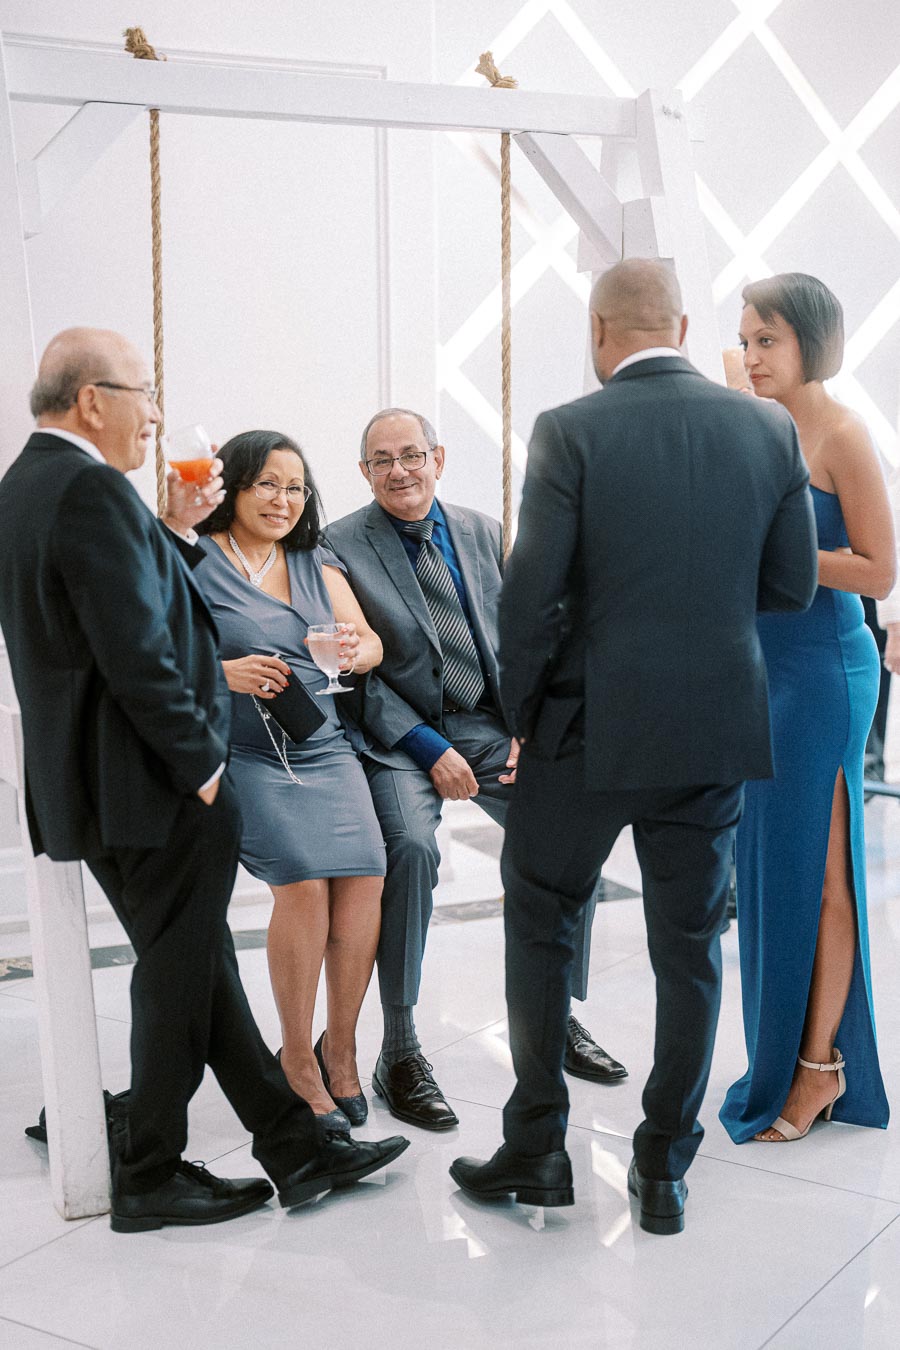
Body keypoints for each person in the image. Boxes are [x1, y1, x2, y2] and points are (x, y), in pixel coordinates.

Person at [0, 328, 408, 1233]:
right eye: (144, 394)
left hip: (96, 782)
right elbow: (139, 654)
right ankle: (146, 1170)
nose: (154, 413)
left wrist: (178, 528)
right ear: (92, 400)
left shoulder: (28, 486)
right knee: (180, 978)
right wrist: (205, 770)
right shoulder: (89, 488)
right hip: (151, 785)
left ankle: (296, 1150)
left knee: (201, 968)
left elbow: (127, 602)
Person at [448, 258, 818, 1235]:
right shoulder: (768, 428)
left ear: (601, 333)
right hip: (713, 730)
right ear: (687, 326)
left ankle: (537, 1150)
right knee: (688, 950)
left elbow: (529, 596)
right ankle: (663, 1167)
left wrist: (521, 718)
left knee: (540, 922)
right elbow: (788, 587)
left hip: (584, 729)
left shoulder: (571, 428)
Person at [326, 409, 626, 1132]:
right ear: (364, 473)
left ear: (439, 456)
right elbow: (352, 674)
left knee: (566, 827)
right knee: (411, 847)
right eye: (382, 460)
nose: (400, 470)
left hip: (492, 727)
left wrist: (528, 727)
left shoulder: (484, 532)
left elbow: (528, 635)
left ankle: (558, 1015)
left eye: (412, 454)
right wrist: (430, 749)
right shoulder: (337, 545)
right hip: (399, 735)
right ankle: (399, 1051)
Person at [720, 274, 894, 1144]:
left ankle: (821, 1067)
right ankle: (781, 1050)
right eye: (746, 339)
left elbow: (879, 572)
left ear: (810, 343)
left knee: (823, 871)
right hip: (761, 666)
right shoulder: (758, 419)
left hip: (825, 668)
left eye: (767, 341)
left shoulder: (843, 434)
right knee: (769, 868)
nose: (750, 356)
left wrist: (787, 554)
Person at [195, 430, 386, 1130]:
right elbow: (153, 657)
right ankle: (297, 1059)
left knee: (366, 874)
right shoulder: (195, 559)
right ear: (235, 487)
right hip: (245, 753)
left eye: (296, 487)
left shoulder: (314, 561)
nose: (283, 499)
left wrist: (354, 651)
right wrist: (225, 674)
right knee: (303, 884)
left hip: (322, 747)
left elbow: (369, 642)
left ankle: (341, 1050)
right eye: (267, 484)